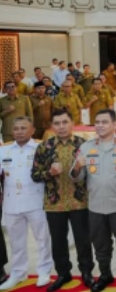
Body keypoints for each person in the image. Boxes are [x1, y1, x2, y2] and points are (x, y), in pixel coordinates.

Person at [70, 109, 116, 292]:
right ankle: (105, 274)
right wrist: (77, 167)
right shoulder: (86, 147)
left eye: (104, 122)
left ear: (114, 125)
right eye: (97, 122)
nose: (100, 125)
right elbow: (77, 177)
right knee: (100, 244)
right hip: (96, 206)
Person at [30, 109, 94, 291]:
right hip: (54, 203)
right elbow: (35, 175)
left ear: (72, 123)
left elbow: (94, 173)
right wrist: (49, 173)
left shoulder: (84, 145)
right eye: (57, 123)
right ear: (52, 126)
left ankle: (87, 272)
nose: (61, 127)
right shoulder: (44, 147)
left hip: (80, 201)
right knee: (58, 242)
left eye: (65, 122)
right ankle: (63, 273)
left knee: (83, 240)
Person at [0, 117, 53, 290]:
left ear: (32, 130)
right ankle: (18, 272)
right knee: (16, 241)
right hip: (11, 202)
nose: (19, 131)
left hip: (36, 200)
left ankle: (44, 270)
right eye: (16, 128)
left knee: (42, 239)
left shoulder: (41, 148)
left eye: (23, 128)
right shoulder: (4, 150)